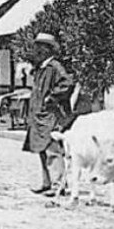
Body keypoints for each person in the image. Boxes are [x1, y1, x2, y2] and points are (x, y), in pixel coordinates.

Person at [25, 32, 74, 196]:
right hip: (39, 115)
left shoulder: (55, 67)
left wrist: (51, 97)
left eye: (40, 47)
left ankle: (58, 184)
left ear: (48, 50)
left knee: (52, 149)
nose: (36, 50)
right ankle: (46, 182)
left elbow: (67, 82)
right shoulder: (40, 68)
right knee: (41, 150)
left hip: (50, 115)